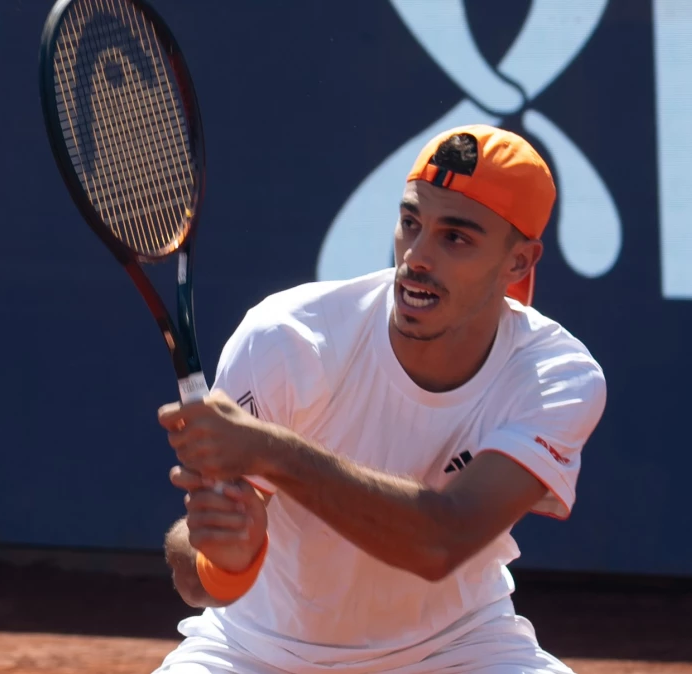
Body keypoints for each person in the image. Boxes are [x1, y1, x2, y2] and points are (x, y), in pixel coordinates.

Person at [153, 124, 608, 674]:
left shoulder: (555, 377)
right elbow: (194, 570)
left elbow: (444, 540)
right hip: (253, 653)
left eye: (455, 238)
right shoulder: (287, 338)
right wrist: (222, 561)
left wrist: (273, 451)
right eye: (411, 223)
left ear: (519, 262)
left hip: (458, 650)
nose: (416, 256)